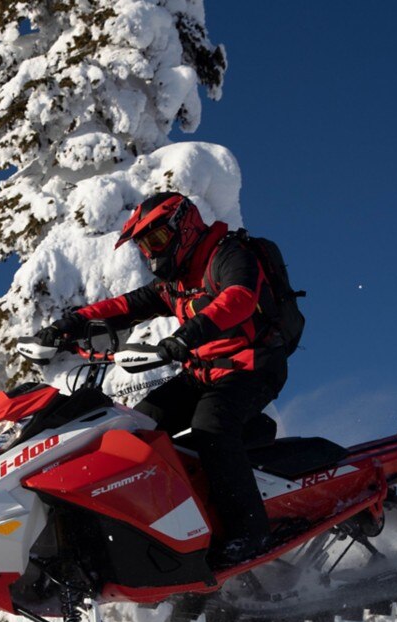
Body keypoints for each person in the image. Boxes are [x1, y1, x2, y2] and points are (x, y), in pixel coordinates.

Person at [38, 191, 289, 568]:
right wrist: (69, 324)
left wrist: (187, 336)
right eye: (143, 247)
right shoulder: (175, 282)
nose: (151, 254)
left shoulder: (227, 255)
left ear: (183, 227)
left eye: (155, 240)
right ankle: (161, 530)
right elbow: (126, 305)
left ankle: (250, 534)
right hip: (202, 374)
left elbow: (238, 296)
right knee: (135, 427)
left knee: (211, 429)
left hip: (251, 368)